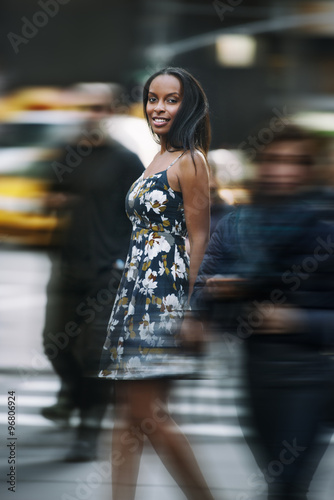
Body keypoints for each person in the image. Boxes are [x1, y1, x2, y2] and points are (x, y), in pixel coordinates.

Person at [190, 125, 334, 500]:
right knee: (277, 478)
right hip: (257, 372)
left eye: (295, 162)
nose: (282, 172)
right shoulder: (242, 222)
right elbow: (209, 282)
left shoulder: (325, 225)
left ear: (310, 169)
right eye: (274, 160)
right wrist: (211, 306)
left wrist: (296, 320)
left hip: (312, 374)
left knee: (286, 483)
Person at [99, 67, 215, 500]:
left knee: (149, 415)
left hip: (164, 300)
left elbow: (200, 235)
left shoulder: (191, 161)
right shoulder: (155, 158)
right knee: (128, 414)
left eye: (170, 99)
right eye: (153, 98)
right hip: (134, 297)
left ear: (187, 106)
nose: (158, 108)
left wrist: (192, 308)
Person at [41, 83, 144, 461]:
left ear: (112, 113)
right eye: (87, 107)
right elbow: (51, 193)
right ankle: (70, 393)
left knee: (92, 356)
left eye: (101, 108)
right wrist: (55, 200)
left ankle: (87, 430)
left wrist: (124, 261)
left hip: (107, 272)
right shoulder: (68, 152)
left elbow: (139, 217)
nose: (93, 114)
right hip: (67, 266)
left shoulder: (126, 160)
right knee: (55, 343)